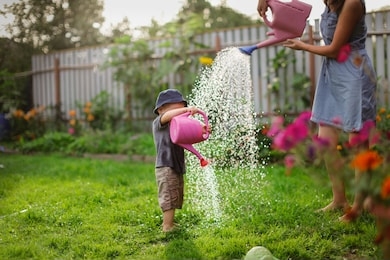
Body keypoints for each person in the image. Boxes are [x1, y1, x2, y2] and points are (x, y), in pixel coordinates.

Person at [257, 0, 377, 221]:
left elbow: (334, 49)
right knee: (326, 142)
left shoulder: (351, 4)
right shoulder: (329, 2)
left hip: (354, 74)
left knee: (358, 144)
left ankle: (359, 206)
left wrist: (302, 45)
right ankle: (339, 199)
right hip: (332, 76)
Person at [152, 89, 208, 232]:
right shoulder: (160, 122)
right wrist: (187, 109)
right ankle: (167, 225)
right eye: (177, 109)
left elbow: (192, 135)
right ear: (160, 109)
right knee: (168, 196)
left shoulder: (178, 126)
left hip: (176, 165)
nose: (181, 112)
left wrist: (203, 130)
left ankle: (171, 222)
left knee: (175, 193)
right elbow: (168, 116)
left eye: (182, 108)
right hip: (165, 165)